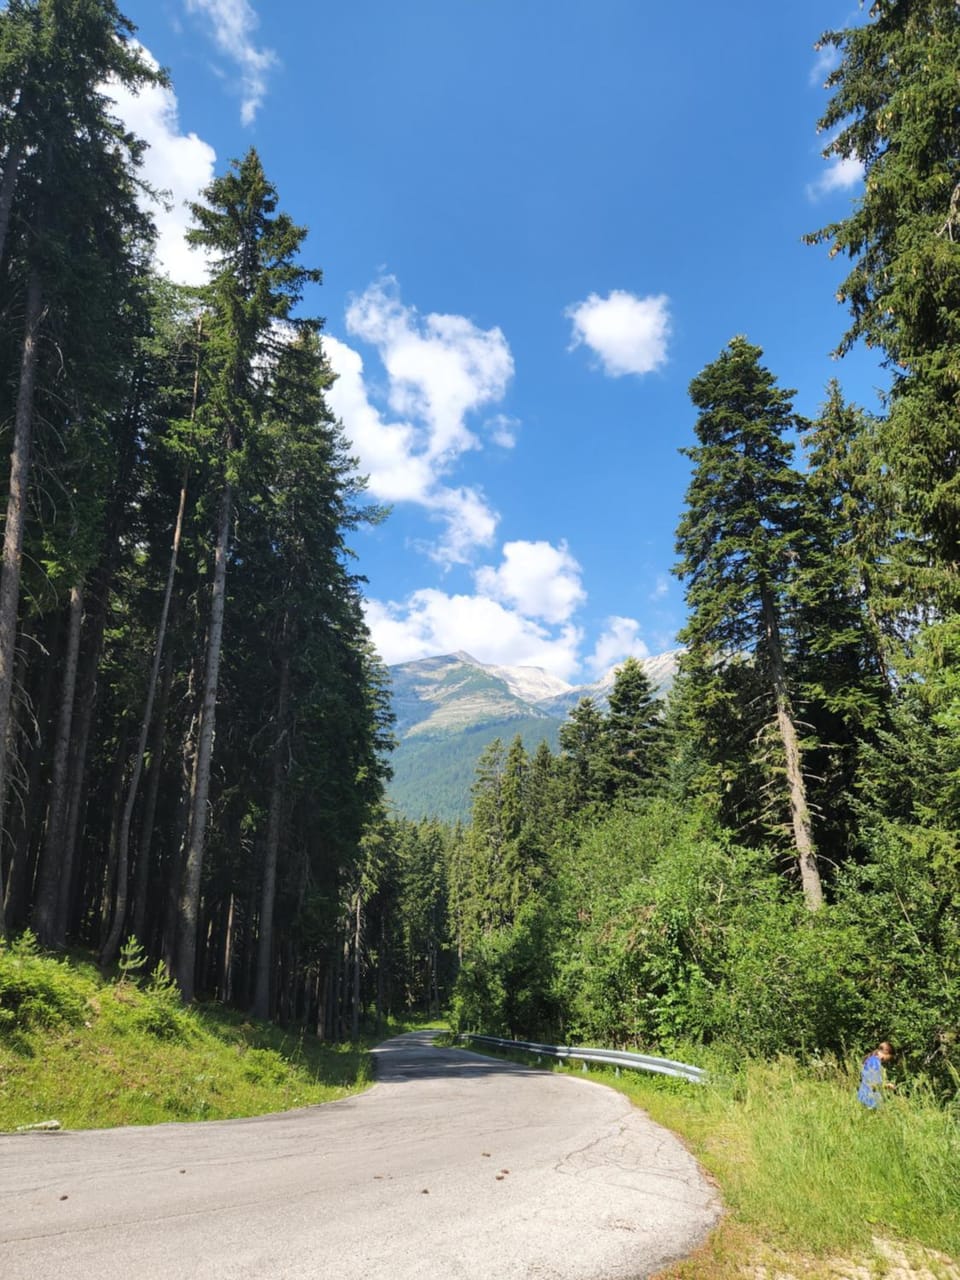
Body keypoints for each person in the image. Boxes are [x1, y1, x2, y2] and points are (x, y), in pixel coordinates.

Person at [857, 1040, 894, 1108]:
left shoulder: (870, 1060)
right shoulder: (875, 1062)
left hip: (863, 1096)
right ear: (887, 1053)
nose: (888, 1060)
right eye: (889, 1057)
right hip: (870, 1099)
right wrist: (887, 1085)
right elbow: (874, 1084)